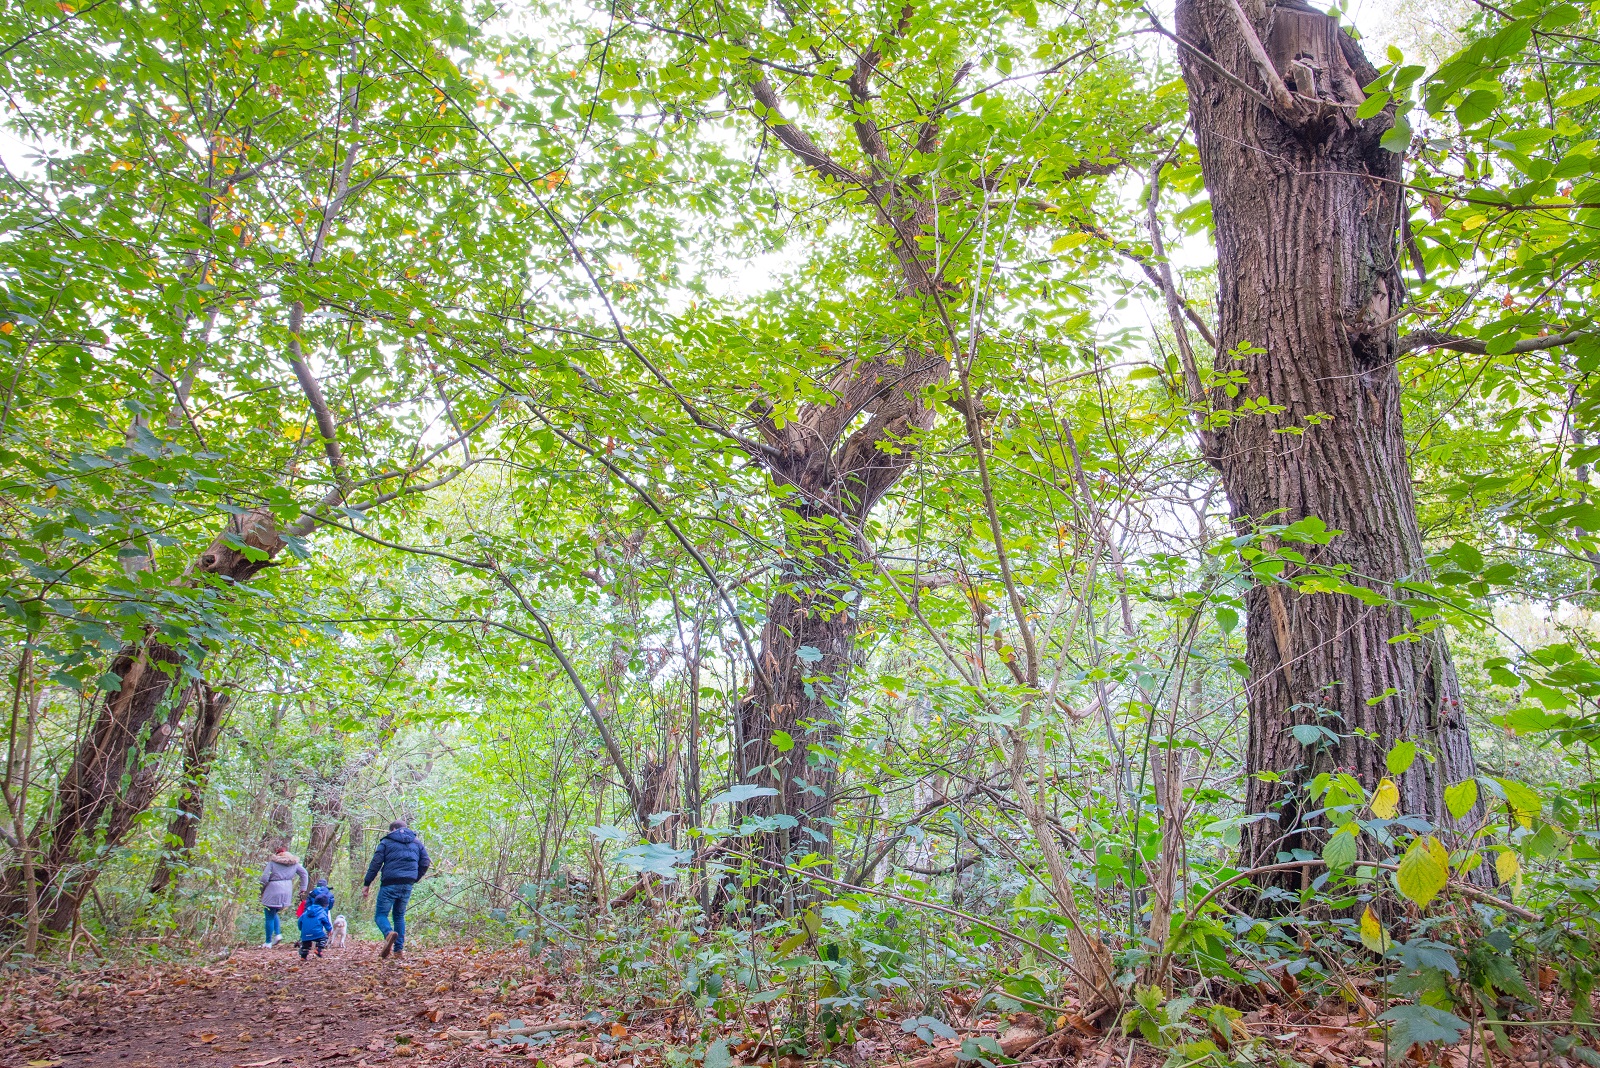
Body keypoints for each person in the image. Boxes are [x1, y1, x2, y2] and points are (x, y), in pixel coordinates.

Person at [362, 819, 430, 959]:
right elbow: (425, 861)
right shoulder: (416, 843)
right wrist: (414, 878)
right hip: (407, 883)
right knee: (399, 916)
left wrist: (367, 883)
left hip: (390, 883)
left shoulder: (386, 842)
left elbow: (376, 863)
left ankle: (388, 934)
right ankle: (398, 951)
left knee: (380, 915)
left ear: (393, 829)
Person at [257, 844, 308, 948]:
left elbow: (264, 878)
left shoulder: (273, 863)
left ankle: (267, 942)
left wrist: (261, 890)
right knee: (274, 912)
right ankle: (278, 934)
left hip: (273, 889)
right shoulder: (294, 863)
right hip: (287, 890)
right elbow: (304, 874)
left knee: (269, 915)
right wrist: (303, 888)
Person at [297, 891, 333, 960]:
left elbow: (299, 921)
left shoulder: (306, 911)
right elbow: (326, 922)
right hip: (317, 934)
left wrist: (301, 929)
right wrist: (329, 929)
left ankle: (303, 956)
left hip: (305, 934)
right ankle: (318, 949)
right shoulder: (322, 912)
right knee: (324, 938)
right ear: (325, 905)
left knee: (305, 944)